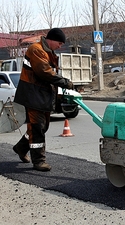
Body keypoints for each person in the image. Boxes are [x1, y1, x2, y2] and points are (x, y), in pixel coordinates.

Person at [13, 28, 74, 171]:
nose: (60, 46)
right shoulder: (36, 50)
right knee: (37, 128)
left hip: (42, 95)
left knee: (42, 126)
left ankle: (21, 148)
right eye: (59, 43)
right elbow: (45, 72)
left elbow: (50, 73)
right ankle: (39, 161)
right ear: (51, 39)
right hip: (33, 94)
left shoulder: (48, 52)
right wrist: (65, 82)